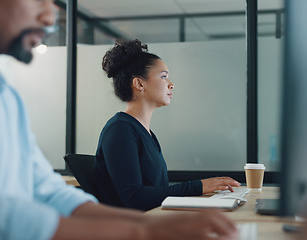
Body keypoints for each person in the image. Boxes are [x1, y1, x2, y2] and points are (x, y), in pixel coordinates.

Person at [0, 0, 239, 239]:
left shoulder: (4, 96)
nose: (50, 16)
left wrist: (152, 228)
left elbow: (46, 190)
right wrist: (143, 230)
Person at [95, 39, 241, 211]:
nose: (171, 84)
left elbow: (157, 192)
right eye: (163, 76)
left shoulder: (146, 133)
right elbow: (134, 198)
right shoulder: (120, 130)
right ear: (139, 83)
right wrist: (198, 186)